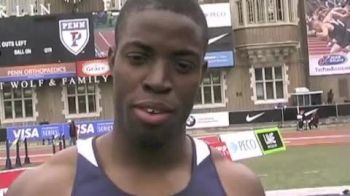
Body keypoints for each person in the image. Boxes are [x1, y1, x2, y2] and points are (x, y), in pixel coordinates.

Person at [7, 0, 265, 195]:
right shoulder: (42, 189)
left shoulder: (238, 188)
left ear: (201, 74)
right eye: (138, 59)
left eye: (182, 65)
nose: (158, 80)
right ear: (111, 61)